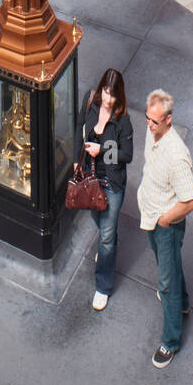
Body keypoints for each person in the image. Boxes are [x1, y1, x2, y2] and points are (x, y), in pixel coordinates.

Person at [138, 89, 193, 368]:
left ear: (168, 120)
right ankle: (183, 303)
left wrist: (165, 220)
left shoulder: (177, 156)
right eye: (148, 119)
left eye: (154, 121)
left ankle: (170, 342)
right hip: (150, 215)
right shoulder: (152, 133)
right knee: (169, 266)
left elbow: (191, 200)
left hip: (165, 224)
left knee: (167, 282)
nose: (149, 125)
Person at [76, 68, 133, 310]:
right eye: (106, 92)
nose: (108, 99)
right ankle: (108, 245)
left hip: (111, 183)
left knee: (107, 238)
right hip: (90, 178)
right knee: (97, 218)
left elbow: (127, 155)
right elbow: (79, 126)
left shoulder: (123, 121)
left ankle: (103, 287)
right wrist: (77, 158)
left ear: (119, 96)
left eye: (113, 95)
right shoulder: (90, 103)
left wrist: (102, 152)